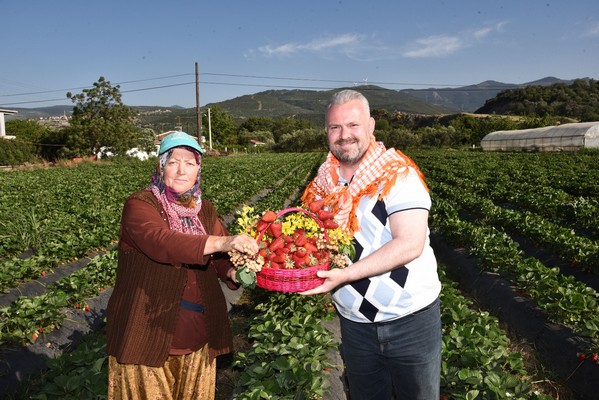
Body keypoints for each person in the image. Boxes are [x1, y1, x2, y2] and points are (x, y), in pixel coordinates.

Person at [301, 90, 442, 399]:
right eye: (334, 128)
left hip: (410, 320)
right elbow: (314, 242)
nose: (343, 135)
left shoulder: (397, 174)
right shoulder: (323, 184)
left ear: (371, 126)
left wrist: (345, 275)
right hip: (355, 323)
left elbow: (410, 244)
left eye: (352, 125)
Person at [106, 131, 259, 399]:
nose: (181, 170)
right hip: (147, 332)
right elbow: (162, 242)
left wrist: (235, 271)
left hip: (197, 332)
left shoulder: (204, 210)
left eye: (190, 163)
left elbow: (221, 259)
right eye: (173, 161)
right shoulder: (140, 205)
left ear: (198, 169)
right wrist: (222, 243)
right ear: (161, 166)